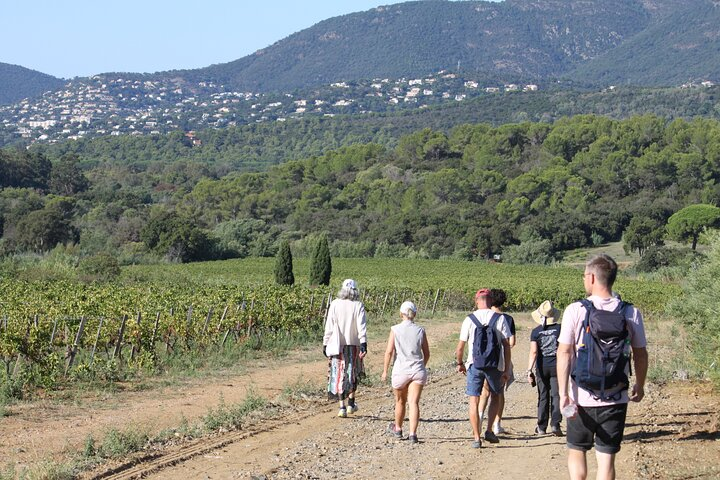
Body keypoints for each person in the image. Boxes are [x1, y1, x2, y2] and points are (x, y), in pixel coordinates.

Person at [557, 254, 648, 480]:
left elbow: (564, 352)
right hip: (616, 397)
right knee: (606, 462)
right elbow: (640, 353)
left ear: (591, 277)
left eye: (584, 276)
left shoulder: (575, 310)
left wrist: (562, 394)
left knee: (577, 452)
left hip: (580, 396)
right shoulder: (630, 312)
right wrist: (640, 385)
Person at [456, 288, 512, 448]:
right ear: (490, 301)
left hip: (474, 365)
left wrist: (460, 363)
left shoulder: (469, 319)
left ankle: (476, 437)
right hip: (495, 365)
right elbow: (506, 345)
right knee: (495, 396)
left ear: (477, 300)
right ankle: (489, 430)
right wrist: (506, 369)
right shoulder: (499, 318)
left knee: (474, 400)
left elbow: (460, 347)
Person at [381, 301, 430, 444]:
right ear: (414, 314)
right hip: (417, 370)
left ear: (401, 313)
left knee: (400, 401)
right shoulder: (420, 330)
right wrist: (421, 365)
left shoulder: (395, 329)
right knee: (413, 402)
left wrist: (385, 370)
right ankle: (413, 434)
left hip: (400, 370)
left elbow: (389, 351)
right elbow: (426, 353)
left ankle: (398, 428)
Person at [323, 278, 367, 418]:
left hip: (337, 345)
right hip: (354, 344)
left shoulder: (335, 304)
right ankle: (351, 403)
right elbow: (361, 326)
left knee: (339, 375)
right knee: (352, 372)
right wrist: (363, 342)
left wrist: (325, 342)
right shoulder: (358, 305)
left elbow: (329, 325)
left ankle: (341, 406)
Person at [477, 288, 516, 435]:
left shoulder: (483, 316)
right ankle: (496, 425)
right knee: (498, 393)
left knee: (484, 392)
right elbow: (511, 342)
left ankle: (480, 418)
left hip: (483, 359)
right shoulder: (508, 319)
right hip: (500, 360)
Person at [527, 299, 562, 436]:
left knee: (543, 396)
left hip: (542, 368)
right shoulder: (560, 329)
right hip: (557, 366)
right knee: (556, 395)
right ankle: (555, 424)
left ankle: (541, 427)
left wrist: (529, 370)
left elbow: (534, 352)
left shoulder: (536, 332)